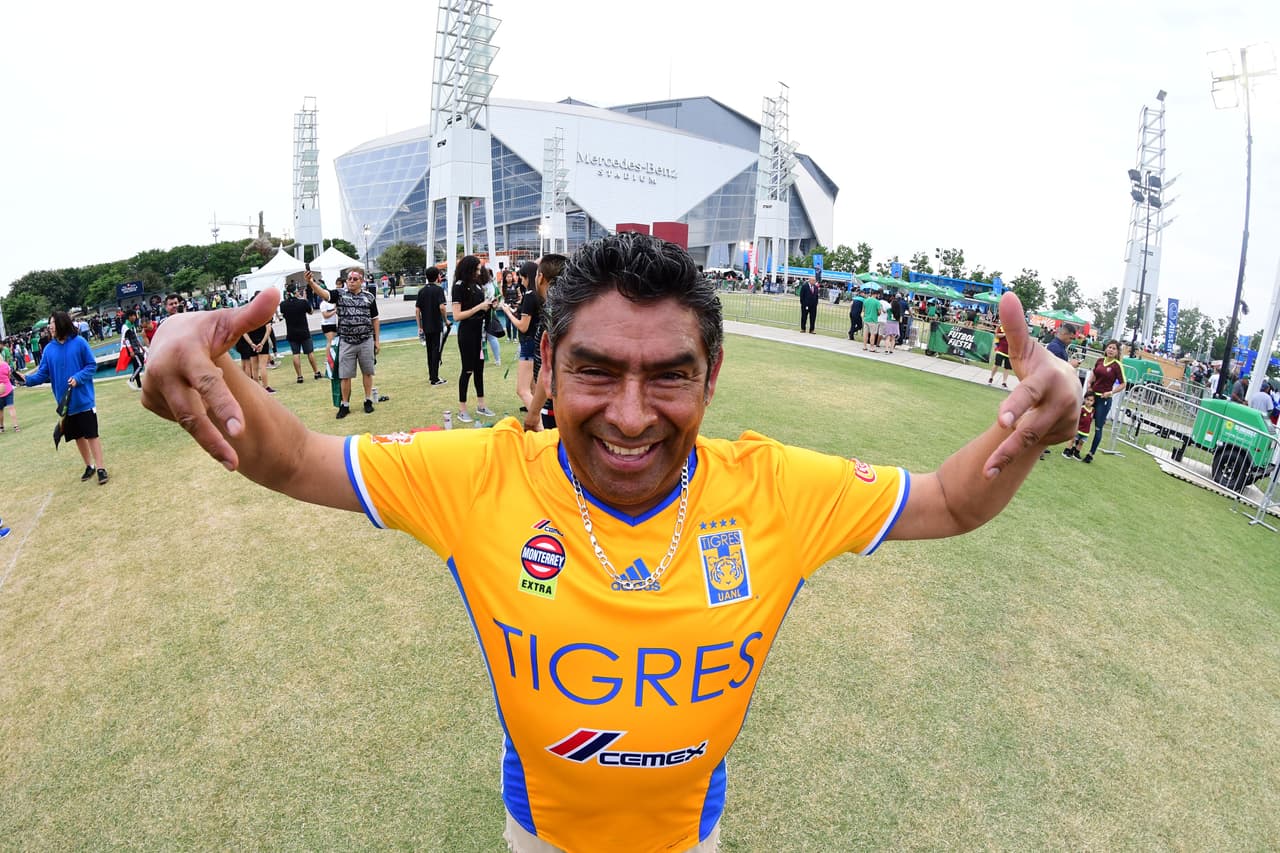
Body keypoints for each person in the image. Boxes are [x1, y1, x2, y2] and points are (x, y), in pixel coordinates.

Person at [140, 232, 1079, 853]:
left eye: (669, 376)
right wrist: (201, 359)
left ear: (712, 377)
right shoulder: (481, 475)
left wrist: (1032, 424)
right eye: (595, 370)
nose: (630, 415)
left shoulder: (777, 490)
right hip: (539, 834)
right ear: (546, 367)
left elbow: (954, 501)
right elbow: (299, 457)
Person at [17, 311, 108, 484]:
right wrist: (26, 380)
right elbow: (42, 374)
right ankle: (89, 466)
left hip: (84, 400)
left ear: (62, 323)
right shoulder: (49, 349)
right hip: (65, 404)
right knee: (77, 436)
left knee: (91, 435)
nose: (50, 327)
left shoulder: (79, 342)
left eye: (52, 323)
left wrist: (78, 378)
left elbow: (91, 365)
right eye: (49, 324)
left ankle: (101, 468)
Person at [306, 267, 380, 419]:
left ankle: (368, 400)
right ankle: (345, 405)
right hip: (346, 341)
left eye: (355, 279)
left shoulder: (369, 297)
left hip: (366, 340)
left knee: (367, 372)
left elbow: (375, 319)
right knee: (345, 375)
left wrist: (377, 340)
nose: (351, 281)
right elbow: (325, 294)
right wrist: (311, 283)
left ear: (362, 281)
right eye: (349, 279)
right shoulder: (339, 294)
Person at [501, 255, 567, 414]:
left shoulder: (535, 299)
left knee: (523, 389)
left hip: (529, 345)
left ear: (541, 277)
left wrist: (507, 313)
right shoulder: (562, 306)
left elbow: (523, 327)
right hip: (559, 393)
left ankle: (538, 422)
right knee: (532, 387)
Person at [451, 255, 497, 423]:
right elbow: (457, 315)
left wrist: (490, 305)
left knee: (479, 368)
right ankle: (462, 409)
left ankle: (481, 404)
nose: (479, 273)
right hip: (467, 333)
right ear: (469, 269)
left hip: (480, 332)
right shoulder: (459, 286)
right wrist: (479, 307)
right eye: (476, 269)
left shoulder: (476, 285)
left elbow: (480, 308)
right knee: (467, 369)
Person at [1081, 339, 1127, 464]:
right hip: (1092, 397)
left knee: (1098, 427)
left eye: (1114, 348)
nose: (1111, 350)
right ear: (1106, 348)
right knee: (1082, 420)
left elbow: (1123, 384)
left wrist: (1111, 392)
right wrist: (1090, 383)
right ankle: (1074, 447)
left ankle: (1091, 453)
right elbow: (1095, 374)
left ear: (1117, 352)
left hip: (1104, 399)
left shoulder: (1117, 365)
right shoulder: (1100, 361)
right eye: (1109, 347)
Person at [279, 283, 321, 384]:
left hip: (291, 332)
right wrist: (305, 299)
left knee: (296, 354)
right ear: (296, 292)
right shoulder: (302, 302)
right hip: (303, 331)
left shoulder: (283, 304)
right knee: (310, 352)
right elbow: (310, 312)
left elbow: (283, 315)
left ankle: (299, 376)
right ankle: (316, 372)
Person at [414, 266, 448, 386]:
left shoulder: (422, 291)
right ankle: (435, 378)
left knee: (429, 351)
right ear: (437, 276)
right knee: (436, 351)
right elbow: (442, 307)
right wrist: (446, 321)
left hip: (426, 326)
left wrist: (419, 326)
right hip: (436, 325)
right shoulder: (439, 290)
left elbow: (417, 310)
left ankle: (432, 376)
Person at [1062, 390, 1096, 460]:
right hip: (1078, 429)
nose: (1089, 402)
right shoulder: (1082, 408)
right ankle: (1067, 451)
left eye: (1091, 400)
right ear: (1084, 399)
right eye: (1087, 399)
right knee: (1073, 440)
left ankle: (1076, 453)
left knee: (1081, 443)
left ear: (1093, 402)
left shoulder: (1093, 410)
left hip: (1086, 432)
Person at [121, 308, 147, 391]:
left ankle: (139, 386)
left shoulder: (132, 326)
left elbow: (135, 338)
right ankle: (131, 380)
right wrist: (131, 351)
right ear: (129, 317)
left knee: (136, 366)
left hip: (136, 348)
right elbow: (126, 340)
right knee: (140, 365)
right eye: (133, 316)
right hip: (132, 349)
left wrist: (141, 347)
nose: (135, 317)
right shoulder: (126, 327)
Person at [988, 321, 1012, 387]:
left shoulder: (1015, 329)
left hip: (1010, 352)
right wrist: (1005, 334)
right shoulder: (1002, 327)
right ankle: (991, 377)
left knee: (1007, 368)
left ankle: (1004, 382)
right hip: (1001, 350)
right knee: (996, 365)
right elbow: (997, 335)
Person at [0, 353, 18, 433]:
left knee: (0, 410)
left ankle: (1, 427)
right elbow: (9, 375)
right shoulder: (5, 365)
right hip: (8, 388)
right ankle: (16, 426)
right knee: (11, 407)